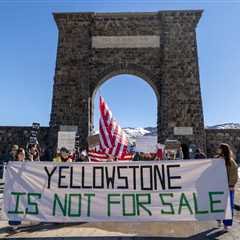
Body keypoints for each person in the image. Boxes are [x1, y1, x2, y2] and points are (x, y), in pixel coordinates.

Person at [217, 143, 238, 231]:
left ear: (223, 149)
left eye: (219, 148)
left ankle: (226, 224)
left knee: (228, 206)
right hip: (217, 187)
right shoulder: (217, 160)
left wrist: (231, 184)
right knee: (218, 205)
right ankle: (218, 220)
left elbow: (234, 175)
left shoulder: (231, 162)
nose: (218, 150)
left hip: (228, 188)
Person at [8, 148, 25, 230]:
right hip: (14, 187)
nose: (22, 155)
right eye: (21, 154)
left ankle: (19, 222)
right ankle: (13, 223)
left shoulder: (26, 163)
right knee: (14, 205)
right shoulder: (13, 164)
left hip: (23, 187)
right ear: (17, 155)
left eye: (24, 154)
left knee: (21, 205)